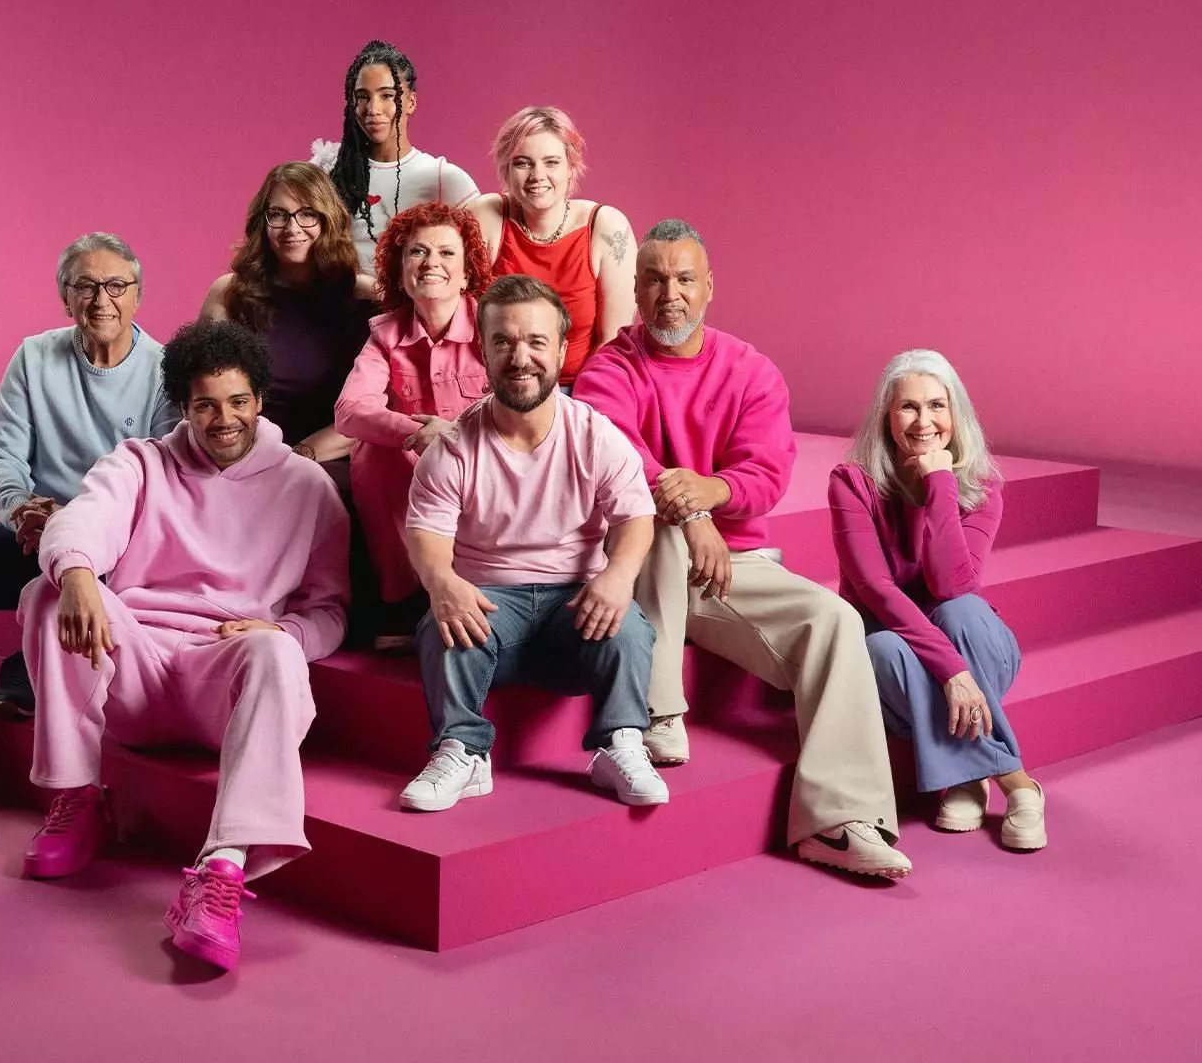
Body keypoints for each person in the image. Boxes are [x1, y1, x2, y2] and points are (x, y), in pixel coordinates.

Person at [573, 219, 913, 879]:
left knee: (835, 620)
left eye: (684, 280)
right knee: (656, 520)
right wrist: (692, 508)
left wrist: (710, 493)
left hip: (731, 569)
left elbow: (766, 477)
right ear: (635, 290)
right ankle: (659, 713)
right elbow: (614, 456)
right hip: (640, 568)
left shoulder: (751, 370)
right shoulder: (609, 369)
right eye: (655, 279)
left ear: (708, 289)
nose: (670, 293)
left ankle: (839, 822)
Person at [17, 320, 350, 974]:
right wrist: (79, 573)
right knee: (47, 594)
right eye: (205, 404)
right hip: (133, 667)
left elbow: (329, 610)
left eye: (236, 402)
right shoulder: (139, 463)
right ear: (185, 406)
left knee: (279, 651)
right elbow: (84, 519)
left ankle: (220, 874)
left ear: (259, 399)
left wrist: (287, 633)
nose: (222, 419)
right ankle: (79, 799)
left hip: (220, 683)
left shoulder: (309, 488)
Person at [0, 233, 178, 816]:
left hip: (117, 549)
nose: (101, 299)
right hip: (35, 530)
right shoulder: (35, 356)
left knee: (72, 576)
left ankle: (28, 664)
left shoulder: (164, 369)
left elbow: (163, 477)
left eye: (116, 286)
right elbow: (2, 454)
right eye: (85, 286)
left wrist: (78, 530)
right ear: (65, 298)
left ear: (138, 296)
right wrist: (22, 510)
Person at [399, 275, 668, 811]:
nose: (520, 357)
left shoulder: (595, 435)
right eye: (503, 342)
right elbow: (426, 534)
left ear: (562, 349)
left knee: (631, 628)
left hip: (576, 606)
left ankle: (620, 744)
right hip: (490, 608)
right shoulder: (453, 448)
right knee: (442, 624)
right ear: (484, 351)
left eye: (536, 342)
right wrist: (442, 582)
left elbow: (637, 517)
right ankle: (463, 751)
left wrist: (616, 578)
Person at [831, 350, 1045, 850]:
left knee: (960, 610)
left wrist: (940, 484)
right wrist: (951, 670)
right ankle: (1016, 784)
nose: (924, 421)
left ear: (956, 414)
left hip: (976, 648)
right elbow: (876, 592)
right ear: (886, 415)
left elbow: (953, 585)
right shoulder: (852, 482)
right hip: (904, 651)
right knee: (881, 647)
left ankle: (969, 776)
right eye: (908, 407)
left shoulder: (982, 485)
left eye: (936, 406)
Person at [333, 202, 495, 643]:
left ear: (466, 273)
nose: (431, 264)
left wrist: (459, 439)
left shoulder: (492, 324)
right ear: (401, 271)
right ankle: (406, 604)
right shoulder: (386, 334)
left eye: (446, 253)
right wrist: (419, 434)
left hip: (489, 466)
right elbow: (348, 411)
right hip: (419, 471)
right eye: (417, 253)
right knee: (370, 452)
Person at [200, 160, 379, 482]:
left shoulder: (364, 297)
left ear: (327, 220)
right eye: (279, 214)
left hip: (327, 460)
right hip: (238, 455)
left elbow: (377, 409)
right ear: (263, 222)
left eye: (307, 213)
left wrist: (297, 457)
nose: (292, 228)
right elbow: (199, 387)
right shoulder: (229, 293)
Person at [468, 107, 637, 390]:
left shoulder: (606, 227)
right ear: (506, 170)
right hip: (497, 388)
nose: (538, 175)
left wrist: (569, 412)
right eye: (523, 163)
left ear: (571, 168)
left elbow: (613, 342)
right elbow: (457, 322)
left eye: (551, 162)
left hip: (581, 389)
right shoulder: (486, 216)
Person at [313, 40, 481, 275]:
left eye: (387, 95)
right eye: (362, 96)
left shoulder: (443, 177)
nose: (373, 108)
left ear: (411, 101)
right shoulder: (329, 170)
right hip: (338, 308)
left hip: (412, 310)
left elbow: (478, 259)